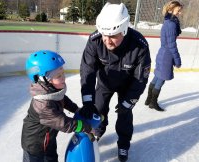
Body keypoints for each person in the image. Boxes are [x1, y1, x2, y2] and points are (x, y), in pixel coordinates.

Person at [78, 2, 151, 162]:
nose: (107, 40)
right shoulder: (95, 40)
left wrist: (129, 101)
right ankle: (98, 130)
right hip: (104, 82)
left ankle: (124, 144)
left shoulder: (139, 45)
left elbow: (140, 78)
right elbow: (87, 71)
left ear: (124, 30)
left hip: (128, 85)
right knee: (98, 109)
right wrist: (87, 99)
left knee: (125, 116)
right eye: (104, 34)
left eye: (113, 36)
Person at [21, 50, 95, 162]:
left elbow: (62, 98)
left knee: (51, 158)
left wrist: (76, 109)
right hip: (35, 146)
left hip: (48, 138)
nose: (64, 78)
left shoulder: (52, 91)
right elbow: (64, 124)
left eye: (63, 73)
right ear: (43, 79)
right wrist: (86, 127)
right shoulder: (43, 105)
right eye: (58, 76)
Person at [145, 0, 183, 111]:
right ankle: (153, 103)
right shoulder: (171, 24)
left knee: (157, 76)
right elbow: (172, 45)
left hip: (162, 53)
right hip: (167, 55)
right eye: (178, 11)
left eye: (180, 11)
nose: (180, 13)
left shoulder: (168, 21)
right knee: (161, 79)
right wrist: (177, 60)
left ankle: (148, 100)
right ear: (171, 10)